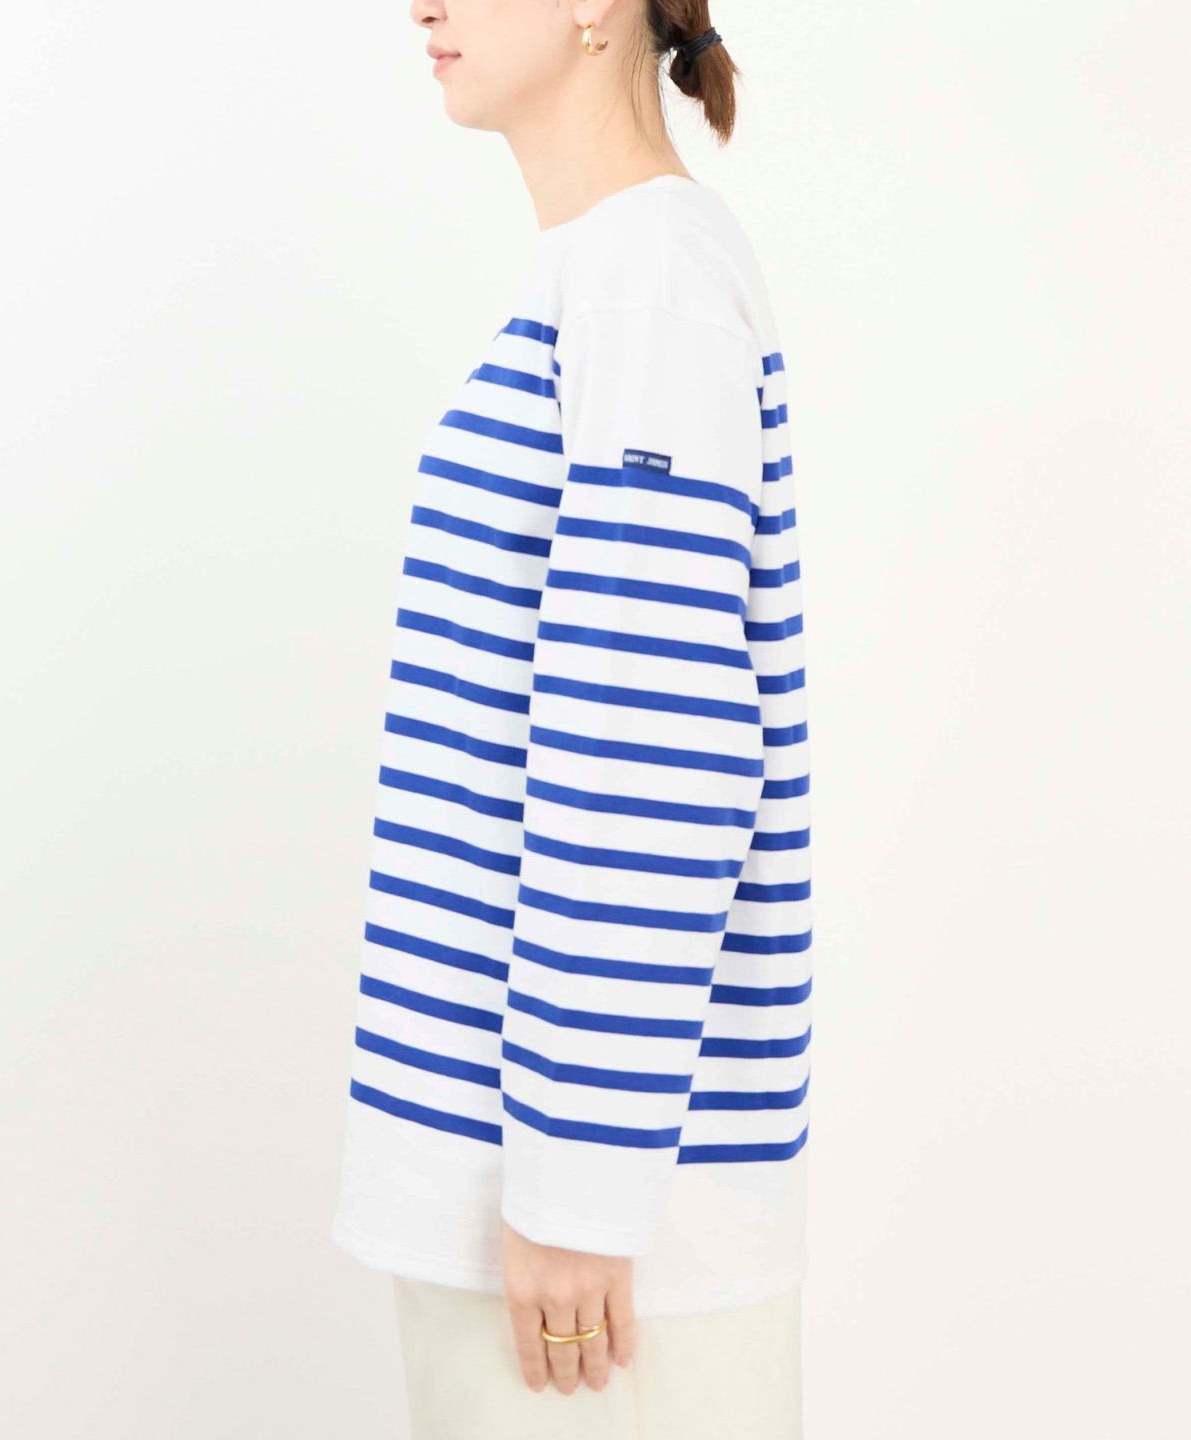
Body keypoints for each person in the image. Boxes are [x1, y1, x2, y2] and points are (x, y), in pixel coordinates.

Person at [330, 3, 813, 1434]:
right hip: (531, 1192)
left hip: (585, 1242)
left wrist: (575, 1189)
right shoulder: (609, 275)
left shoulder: (644, 282)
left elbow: (649, 746)